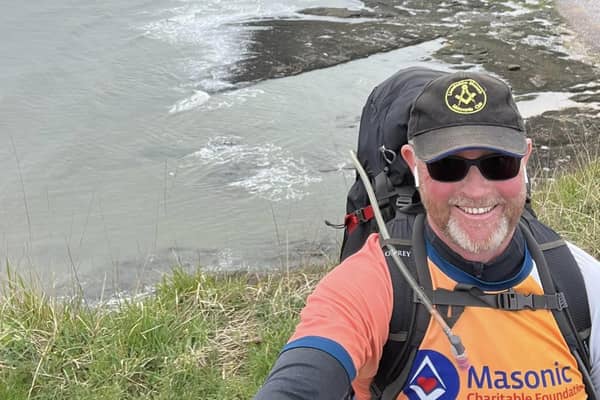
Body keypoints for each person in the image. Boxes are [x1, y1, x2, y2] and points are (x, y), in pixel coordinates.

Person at [253, 71, 600, 399]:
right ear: (414, 165)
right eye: (448, 166)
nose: (477, 191)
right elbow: (305, 374)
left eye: (498, 163)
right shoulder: (376, 282)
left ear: (525, 159)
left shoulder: (580, 283)